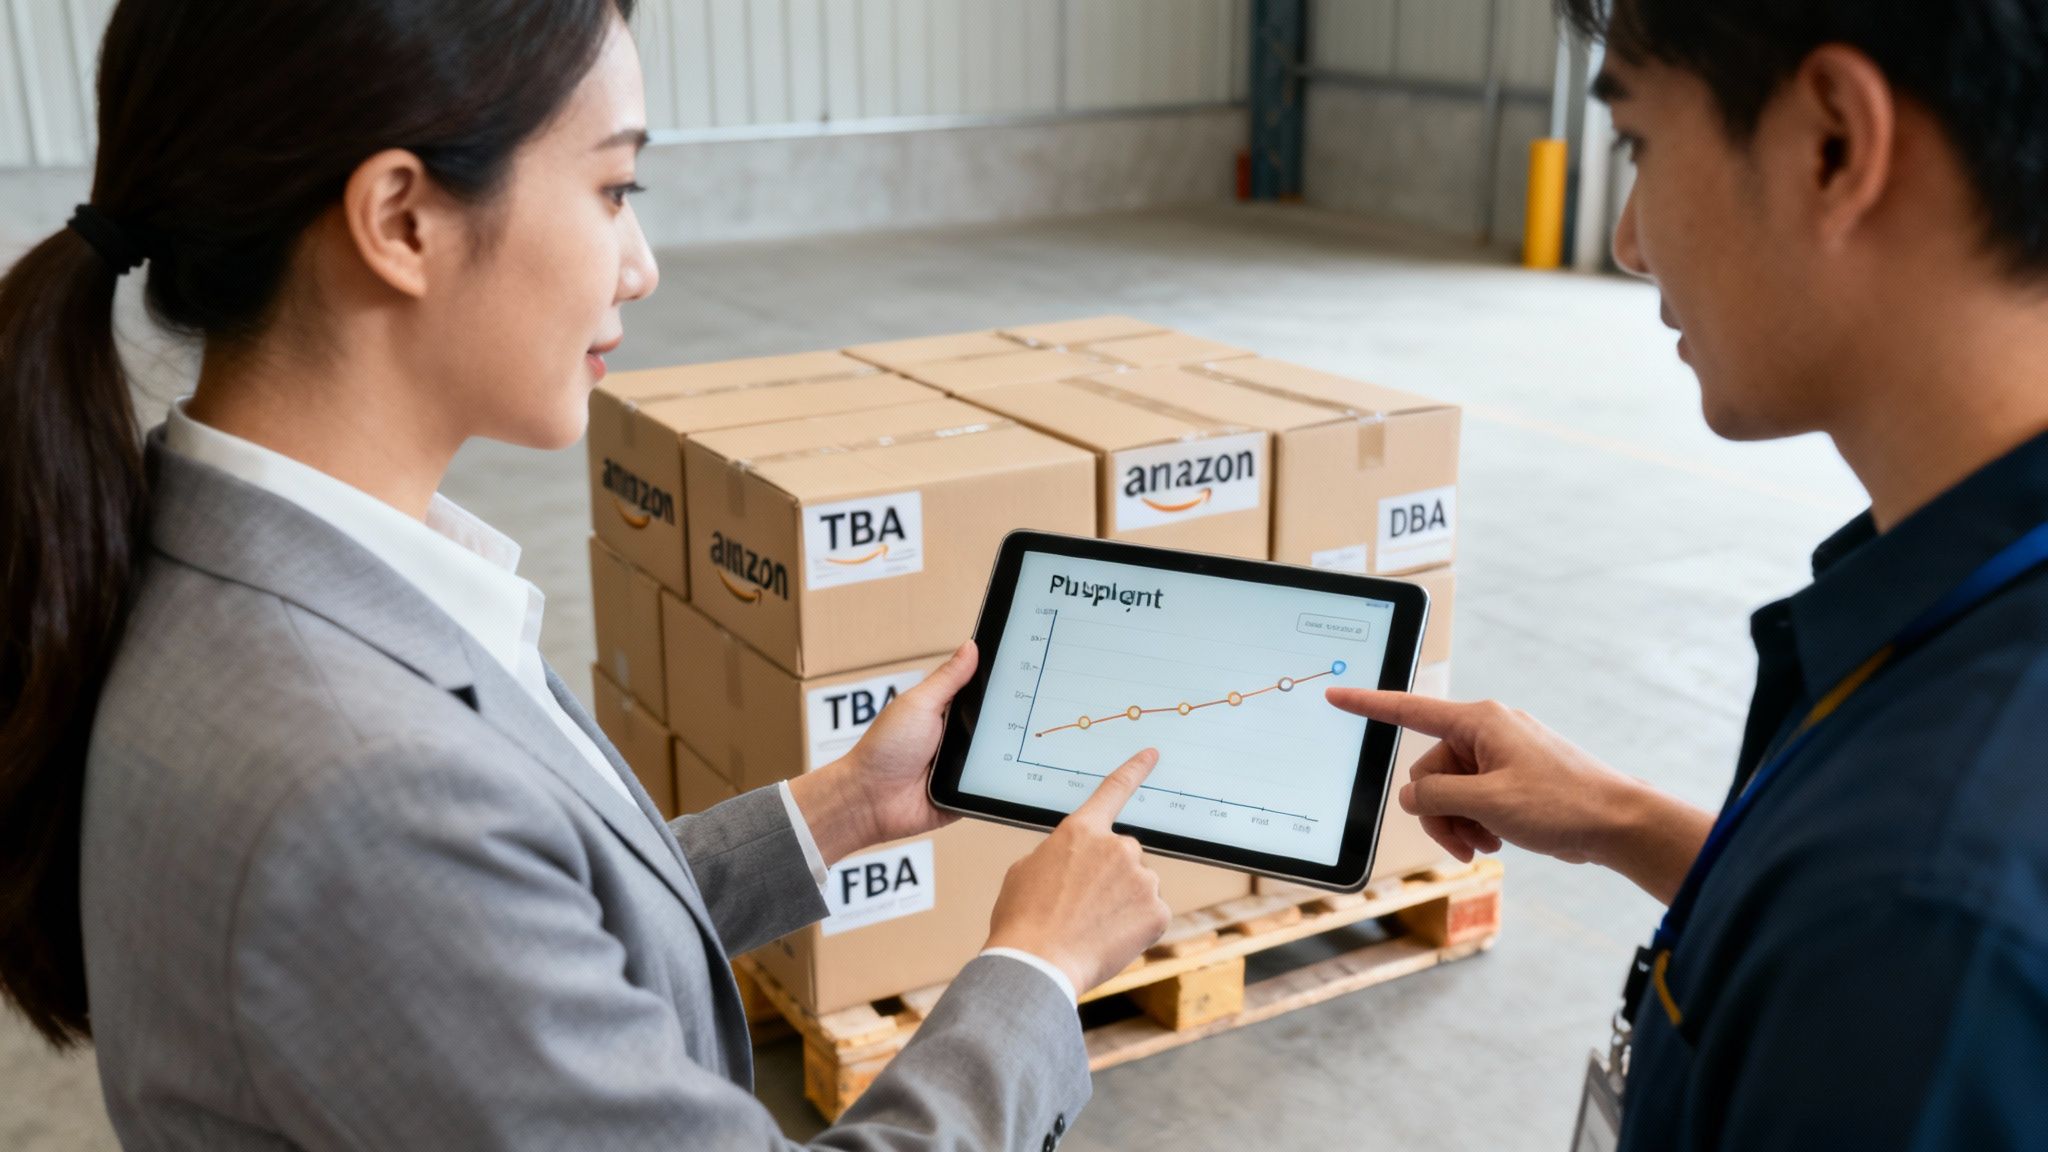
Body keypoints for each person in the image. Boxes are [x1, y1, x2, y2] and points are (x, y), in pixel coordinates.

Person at [0, 3, 1174, 1148]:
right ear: (402, 220)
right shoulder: (362, 788)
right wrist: (1035, 968)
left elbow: (523, 939)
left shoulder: (225, 561)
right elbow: (445, 894)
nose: (640, 267)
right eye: (614, 188)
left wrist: (844, 808)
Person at [1328, 1, 2048, 1147]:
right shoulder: (1968, 614)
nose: (1627, 241)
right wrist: (1621, 820)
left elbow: (1888, 921)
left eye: (1638, 145)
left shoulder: (1919, 926)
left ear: (1830, 145)